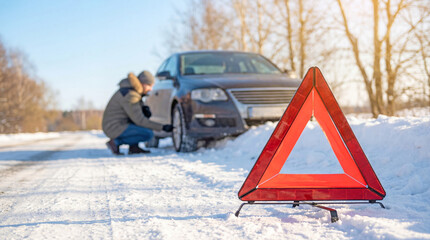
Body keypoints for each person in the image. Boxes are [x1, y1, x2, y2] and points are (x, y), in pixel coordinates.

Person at [102, 71, 173, 155]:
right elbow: (139, 120)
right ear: (143, 84)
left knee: (141, 127)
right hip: (113, 127)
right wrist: (162, 127)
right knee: (148, 134)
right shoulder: (131, 95)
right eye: (149, 86)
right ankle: (115, 142)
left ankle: (133, 147)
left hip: (118, 124)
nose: (151, 89)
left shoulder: (132, 91)